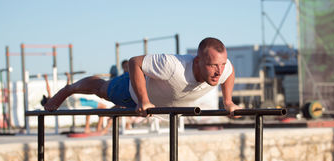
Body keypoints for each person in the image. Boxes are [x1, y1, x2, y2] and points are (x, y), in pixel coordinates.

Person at [44, 37, 241, 117]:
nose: (218, 71)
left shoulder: (224, 68)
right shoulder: (173, 65)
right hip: (133, 93)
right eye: (212, 65)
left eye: (221, 65)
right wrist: (144, 100)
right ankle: (68, 89)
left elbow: (229, 73)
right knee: (101, 89)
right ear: (197, 61)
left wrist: (228, 101)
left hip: (158, 106)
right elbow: (134, 62)